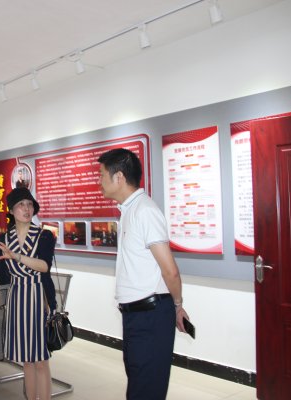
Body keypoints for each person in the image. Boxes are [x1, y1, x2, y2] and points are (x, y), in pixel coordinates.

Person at [97, 148, 190, 400]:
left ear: (118, 177)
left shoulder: (145, 211)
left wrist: (177, 306)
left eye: (102, 175)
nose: (99, 181)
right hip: (136, 317)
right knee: (140, 385)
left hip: (150, 316)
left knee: (145, 390)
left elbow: (170, 271)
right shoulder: (130, 210)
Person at [0, 187, 56, 400]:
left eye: (30, 204)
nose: (26, 209)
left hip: (37, 298)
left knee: (40, 359)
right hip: (16, 299)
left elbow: (44, 266)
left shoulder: (44, 235)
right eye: (21, 205)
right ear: (12, 210)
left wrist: (16, 256)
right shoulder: (5, 238)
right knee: (27, 359)